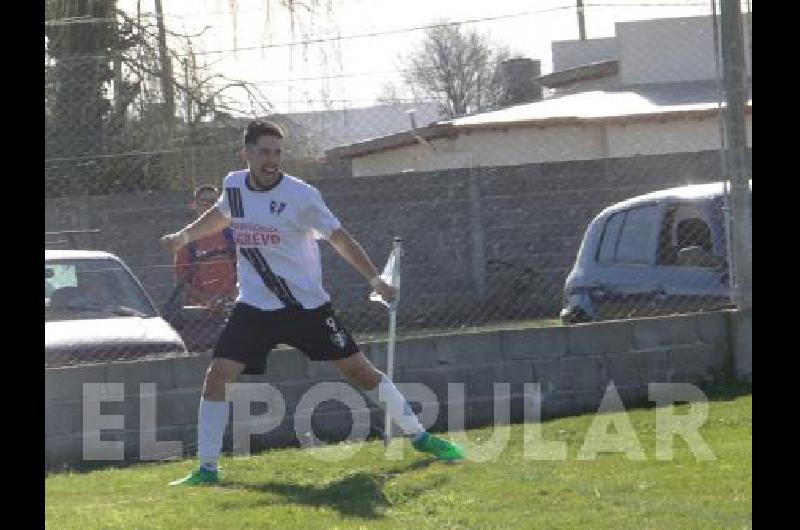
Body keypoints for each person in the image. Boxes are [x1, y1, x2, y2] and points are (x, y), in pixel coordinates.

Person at [161, 120, 464, 486]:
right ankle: (207, 469)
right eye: (264, 152)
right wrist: (185, 236)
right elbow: (222, 213)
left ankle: (420, 437)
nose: (272, 160)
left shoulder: (301, 195)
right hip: (254, 308)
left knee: (360, 372)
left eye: (277, 152)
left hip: (306, 309)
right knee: (218, 377)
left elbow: (339, 238)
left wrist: (375, 279)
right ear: (247, 154)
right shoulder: (234, 184)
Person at [173, 185, 238, 311]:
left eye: (214, 202)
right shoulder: (186, 239)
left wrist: (232, 296)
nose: (209, 206)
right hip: (199, 311)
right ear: (194, 205)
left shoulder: (233, 235)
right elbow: (180, 279)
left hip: (232, 305)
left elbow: (246, 271)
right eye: (204, 201)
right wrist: (207, 300)